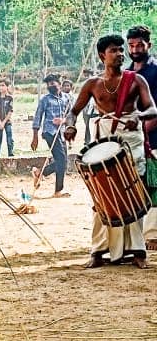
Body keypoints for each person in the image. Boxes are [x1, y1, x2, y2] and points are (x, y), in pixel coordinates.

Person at [64, 33, 156, 268]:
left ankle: (138, 252)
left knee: (133, 191)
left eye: (121, 50)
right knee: (103, 195)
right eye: (114, 50)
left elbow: (152, 109)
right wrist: (71, 126)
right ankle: (98, 251)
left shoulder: (136, 80)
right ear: (101, 55)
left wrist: (139, 117)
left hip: (131, 140)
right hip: (105, 139)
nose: (120, 54)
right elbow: (73, 111)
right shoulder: (93, 84)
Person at [126, 26, 157, 250]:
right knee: (135, 187)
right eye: (131, 45)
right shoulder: (126, 74)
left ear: (149, 45)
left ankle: (153, 234)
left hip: (153, 138)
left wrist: (143, 131)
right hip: (132, 138)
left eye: (139, 45)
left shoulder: (156, 72)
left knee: (155, 186)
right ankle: (135, 238)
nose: (135, 49)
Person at [31, 74, 70, 197]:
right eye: (48, 84)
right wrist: (35, 136)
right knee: (61, 160)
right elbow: (38, 116)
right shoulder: (45, 99)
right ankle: (58, 190)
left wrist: (63, 121)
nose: (50, 86)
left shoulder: (67, 98)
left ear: (59, 83)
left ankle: (40, 173)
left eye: (52, 83)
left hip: (62, 133)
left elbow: (72, 116)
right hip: (49, 132)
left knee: (62, 161)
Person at [0, 78, 14, 157]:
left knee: (9, 139)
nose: (1, 87)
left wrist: (4, 122)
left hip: (7, 122)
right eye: (0, 85)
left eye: (3, 85)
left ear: (7, 87)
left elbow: (10, 111)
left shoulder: (10, 98)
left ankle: (10, 153)